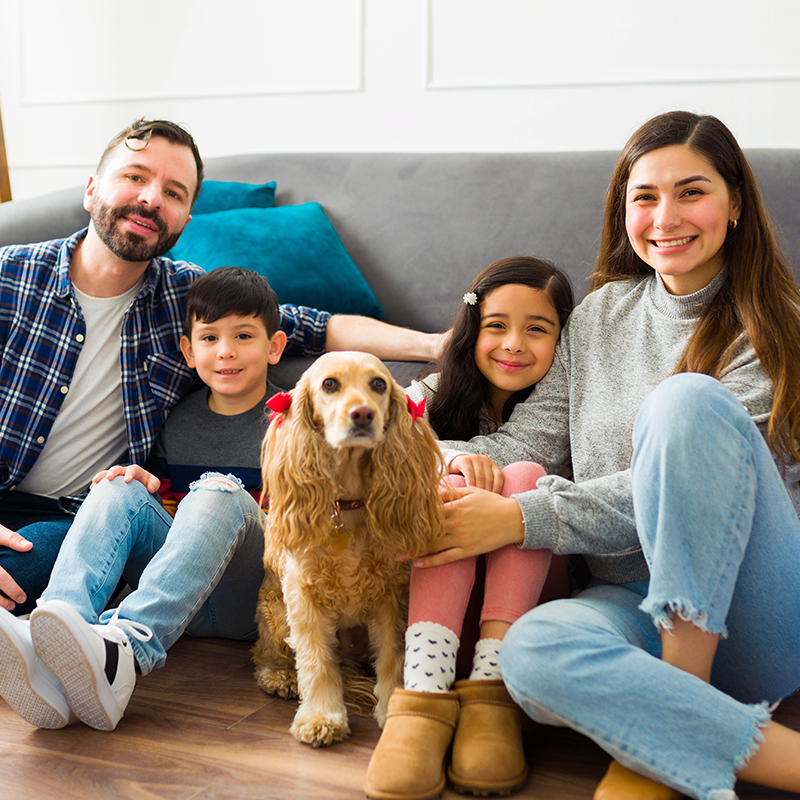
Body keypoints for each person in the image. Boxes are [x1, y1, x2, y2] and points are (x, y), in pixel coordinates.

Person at [407, 110, 800, 800]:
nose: (665, 216)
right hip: (627, 597)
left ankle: (675, 706)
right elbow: (524, 445)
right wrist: (411, 450)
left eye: (692, 192)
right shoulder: (599, 314)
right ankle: (683, 734)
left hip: (758, 609)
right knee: (530, 657)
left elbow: (681, 491)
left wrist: (519, 518)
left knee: (685, 402)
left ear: (736, 204)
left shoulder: (777, 328)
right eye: (644, 196)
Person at [0, 118, 444, 616]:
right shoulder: (9, 278)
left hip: (80, 516)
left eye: (173, 192)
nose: (151, 199)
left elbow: (314, 326)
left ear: (185, 219)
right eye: (135, 177)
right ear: (91, 188)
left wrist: (434, 343)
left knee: (18, 579)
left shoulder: (189, 301)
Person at [0, 266, 292, 731]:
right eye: (210, 338)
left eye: (243, 336)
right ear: (188, 352)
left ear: (274, 346)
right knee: (115, 484)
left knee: (218, 491)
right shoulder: (177, 422)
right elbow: (168, 514)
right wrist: (144, 483)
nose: (226, 351)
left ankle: (124, 652)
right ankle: (54, 642)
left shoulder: (293, 421)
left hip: (253, 601)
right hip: (179, 598)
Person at [365, 256, 574, 800]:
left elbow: (523, 455)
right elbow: (389, 451)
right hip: (434, 615)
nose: (514, 344)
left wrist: (453, 463)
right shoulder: (431, 394)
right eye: (496, 325)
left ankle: (491, 694)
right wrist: (449, 465)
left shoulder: (564, 404)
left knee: (525, 476)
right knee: (442, 484)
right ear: (471, 329)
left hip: (522, 609)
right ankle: (422, 699)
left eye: (538, 329)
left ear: (562, 340)